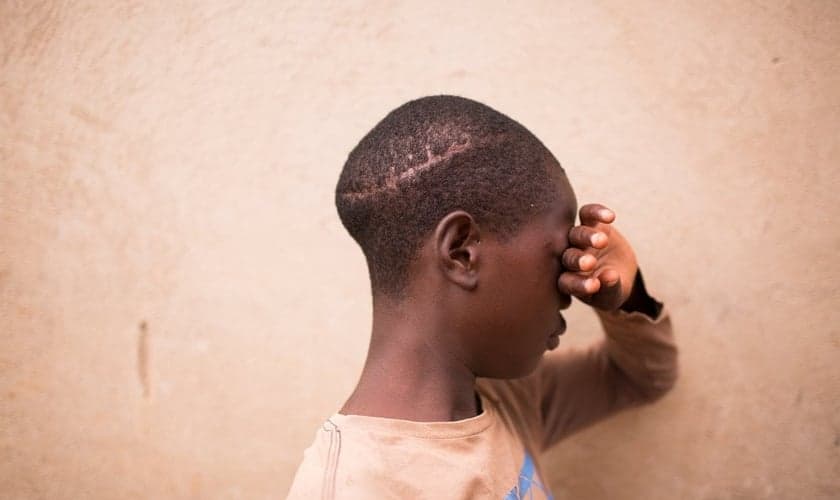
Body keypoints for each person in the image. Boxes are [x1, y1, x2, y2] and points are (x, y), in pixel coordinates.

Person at [287, 95, 678, 499]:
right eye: (558, 259)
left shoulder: (508, 399)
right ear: (461, 252)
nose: (569, 290)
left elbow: (641, 378)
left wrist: (628, 296)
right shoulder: (353, 487)